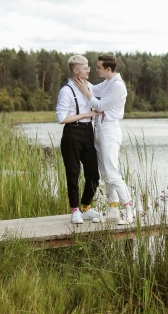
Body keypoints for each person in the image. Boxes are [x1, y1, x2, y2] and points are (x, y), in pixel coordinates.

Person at [74, 54, 134, 225]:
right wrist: (81, 79)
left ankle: (129, 210)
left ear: (108, 69)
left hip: (110, 131)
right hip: (99, 129)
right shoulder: (108, 83)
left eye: (99, 67)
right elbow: (94, 90)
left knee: (112, 173)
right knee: (105, 174)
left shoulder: (118, 86)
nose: (96, 69)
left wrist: (85, 91)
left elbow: (99, 105)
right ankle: (112, 209)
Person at [55, 55, 102, 224]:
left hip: (88, 132)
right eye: (85, 67)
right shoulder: (65, 91)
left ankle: (86, 207)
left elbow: (103, 94)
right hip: (72, 134)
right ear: (76, 71)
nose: (89, 70)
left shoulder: (89, 86)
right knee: (73, 173)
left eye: (89, 67)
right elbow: (62, 118)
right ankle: (75, 211)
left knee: (94, 175)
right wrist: (85, 115)